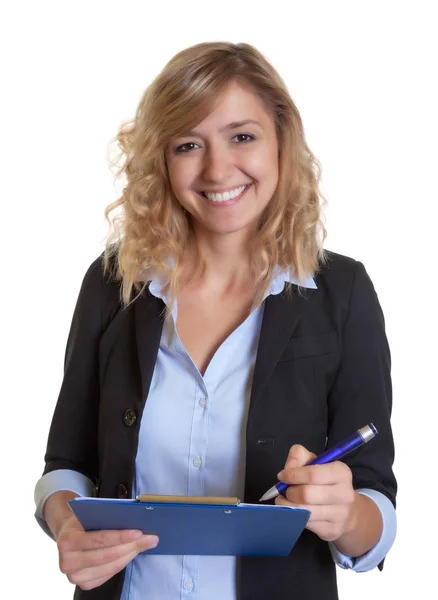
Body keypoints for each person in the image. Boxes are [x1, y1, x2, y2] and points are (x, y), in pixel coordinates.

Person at [34, 41, 397, 600]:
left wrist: (346, 514)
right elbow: (67, 465)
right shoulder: (113, 283)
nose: (217, 168)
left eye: (242, 137)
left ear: (281, 142)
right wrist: (65, 525)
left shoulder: (342, 292)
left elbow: (374, 505)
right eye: (188, 144)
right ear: (162, 158)